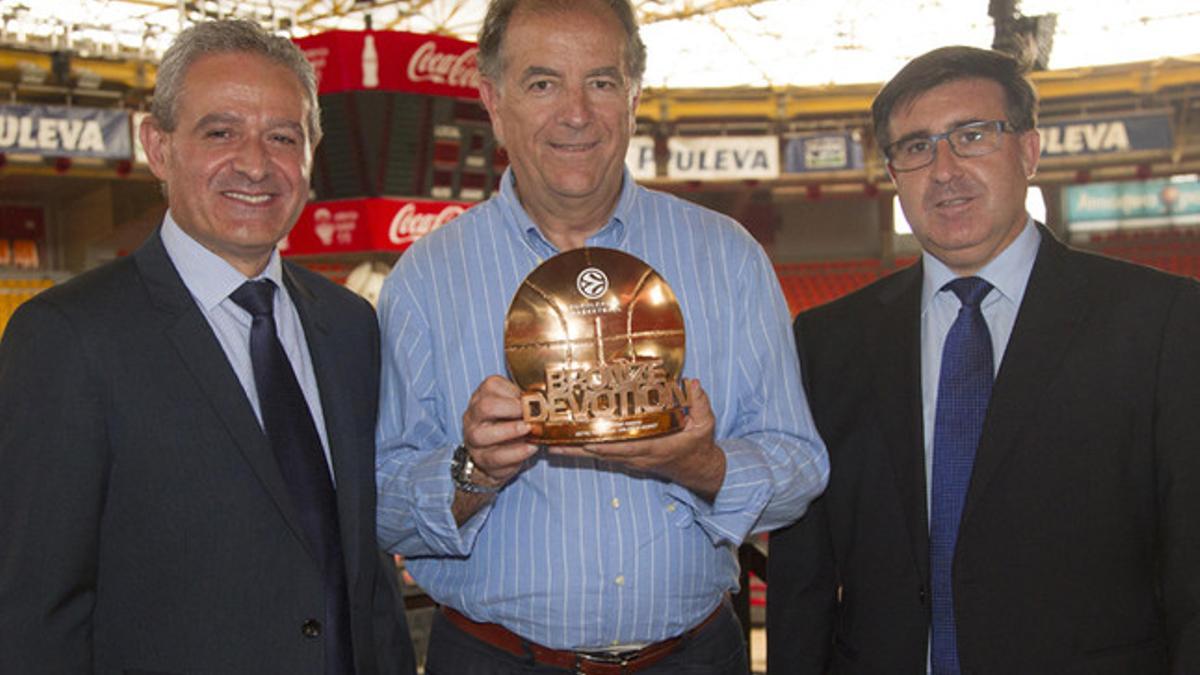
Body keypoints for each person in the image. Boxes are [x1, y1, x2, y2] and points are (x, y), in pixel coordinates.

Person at [374, 0, 828, 673]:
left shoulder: (728, 256)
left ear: (634, 98)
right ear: (493, 104)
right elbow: (381, 505)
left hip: (694, 656)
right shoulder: (424, 279)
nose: (577, 112)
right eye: (542, 82)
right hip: (493, 659)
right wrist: (475, 472)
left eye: (602, 82)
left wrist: (701, 466)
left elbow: (801, 464)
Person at [767, 45, 1200, 674]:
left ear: (1028, 151)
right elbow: (803, 575)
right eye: (916, 147)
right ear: (893, 173)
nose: (943, 169)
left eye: (972, 136)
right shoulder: (827, 340)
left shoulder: (1162, 320)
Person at [0, 20, 415, 675]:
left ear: (311, 154)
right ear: (157, 147)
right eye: (220, 131)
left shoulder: (349, 327)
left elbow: (367, 580)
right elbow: (33, 617)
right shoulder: (68, 338)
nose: (255, 163)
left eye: (283, 136)